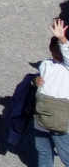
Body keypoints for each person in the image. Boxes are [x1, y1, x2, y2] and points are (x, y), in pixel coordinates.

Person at [38, 23, 69, 166]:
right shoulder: (45, 64)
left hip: (59, 118)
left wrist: (62, 39)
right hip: (40, 116)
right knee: (43, 150)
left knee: (65, 153)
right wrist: (34, 81)